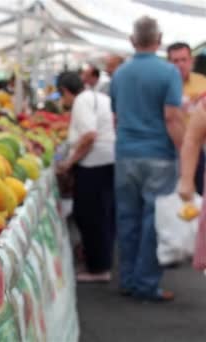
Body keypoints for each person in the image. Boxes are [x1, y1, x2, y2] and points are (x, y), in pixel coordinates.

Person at [110, 16, 184, 301]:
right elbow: (172, 118)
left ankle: (128, 279)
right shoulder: (169, 73)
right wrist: (184, 154)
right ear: (160, 39)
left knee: (127, 219)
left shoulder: (120, 74)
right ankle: (146, 283)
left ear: (132, 41)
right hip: (159, 155)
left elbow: (116, 116)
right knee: (154, 221)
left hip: (126, 153)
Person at [57, 71, 116, 282]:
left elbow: (90, 135)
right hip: (109, 161)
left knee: (90, 215)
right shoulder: (100, 96)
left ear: (65, 91)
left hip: (93, 165)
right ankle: (100, 261)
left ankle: (98, 268)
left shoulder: (82, 101)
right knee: (104, 214)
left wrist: (69, 162)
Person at [168, 42, 206, 196]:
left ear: (191, 60)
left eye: (184, 60)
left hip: (197, 147)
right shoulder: (163, 84)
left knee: (197, 190)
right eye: (175, 61)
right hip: (169, 147)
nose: (180, 64)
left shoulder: (202, 81)